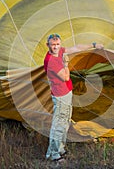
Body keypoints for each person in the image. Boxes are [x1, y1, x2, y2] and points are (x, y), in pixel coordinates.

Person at [43, 33, 103, 163]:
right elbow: (65, 77)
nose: (56, 47)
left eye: (58, 44)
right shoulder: (52, 61)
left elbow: (76, 48)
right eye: (53, 45)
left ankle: (60, 149)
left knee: (65, 121)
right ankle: (54, 154)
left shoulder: (59, 52)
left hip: (66, 93)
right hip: (60, 96)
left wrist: (93, 45)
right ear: (47, 45)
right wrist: (66, 64)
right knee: (58, 123)